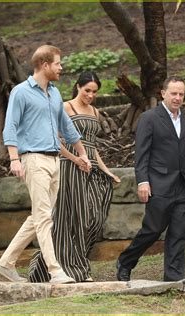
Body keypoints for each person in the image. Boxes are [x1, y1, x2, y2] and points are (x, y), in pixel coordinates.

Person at [0, 45, 91, 284]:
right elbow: (10, 127)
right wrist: (14, 158)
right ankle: (54, 270)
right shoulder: (20, 92)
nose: (61, 68)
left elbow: (66, 126)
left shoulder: (55, 93)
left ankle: (6, 263)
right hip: (33, 160)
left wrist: (82, 153)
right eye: (58, 63)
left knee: (41, 215)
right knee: (44, 218)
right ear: (45, 65)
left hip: (54, 160)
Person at [28, 71, 121, 283]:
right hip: (69, 167)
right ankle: (75, 270)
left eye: (94, 92)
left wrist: (106, 170)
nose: (90, 95)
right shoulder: (65, 107)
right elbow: (56, 140)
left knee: (94, 219)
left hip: (90, 168)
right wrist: (75, 158)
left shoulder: (95, 112)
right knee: (71, 220)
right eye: (87, 90)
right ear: (78, 87)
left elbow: (92, 147)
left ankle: (69, 264)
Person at [116, 76, 185, 282]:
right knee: (152, 230)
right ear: (163, 93)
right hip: (159, 185)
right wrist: (143, 181)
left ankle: (173, 278)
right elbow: (142, 153)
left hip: (183, 186)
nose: (178, 98)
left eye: (181, 94)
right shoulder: (149, 117)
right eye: (173, 93)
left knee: (179, 233)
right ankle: (126, 261)